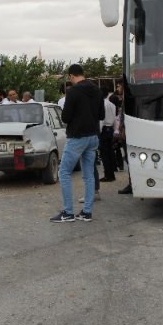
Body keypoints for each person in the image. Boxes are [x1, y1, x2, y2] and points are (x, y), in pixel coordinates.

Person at [50, 64, 104, 223]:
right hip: (93, 136)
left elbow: (65, 117)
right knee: (88, 175)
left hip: (77, 137)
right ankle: (86, 212)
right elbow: (101, 114)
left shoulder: (73, 92)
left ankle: (68, 212)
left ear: (72, 76)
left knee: (64, 172)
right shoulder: (97, 90)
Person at [98, 86, 117, 182]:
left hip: (104, 130)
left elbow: (101, 120)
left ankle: (107, 175)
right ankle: (111, 174)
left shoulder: (101, 104)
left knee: (104, 154)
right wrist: (115, 130)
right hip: (110, 129)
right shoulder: (111, 104)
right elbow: (115, 118)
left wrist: (98, 131)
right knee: (110, 153)